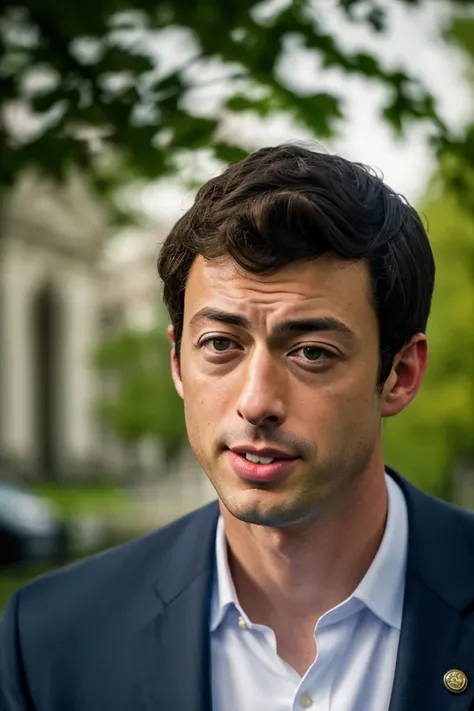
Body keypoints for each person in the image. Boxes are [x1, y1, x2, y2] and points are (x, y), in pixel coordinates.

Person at [1, 144, 473, 711]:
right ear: (178, 364)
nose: (256, 402)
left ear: (399, 374)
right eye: (221, 344)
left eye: (312, 352)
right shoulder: (49, 640)